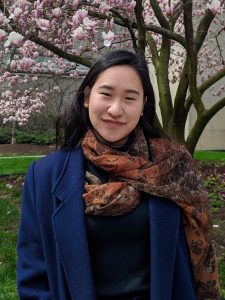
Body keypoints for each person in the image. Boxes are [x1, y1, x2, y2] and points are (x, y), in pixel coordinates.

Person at [17, 49, 220, 300]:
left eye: (129, 98)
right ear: (87, 97)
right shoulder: (44, 176)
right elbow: (34, 273)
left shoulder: (173, 168)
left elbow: (191, 257)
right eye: (106, 94)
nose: (115, 109)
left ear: (143, 105)